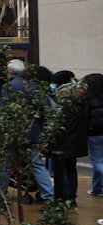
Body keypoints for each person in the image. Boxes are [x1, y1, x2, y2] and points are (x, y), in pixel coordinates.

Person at [0, 59, 53, 202]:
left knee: (5, 165)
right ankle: (49, 195)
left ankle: (1, 197)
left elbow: (3, 112)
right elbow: (45, 111)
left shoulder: (7, 87)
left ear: (9, 72)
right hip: (32, 132)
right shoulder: (35, 87)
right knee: (37, 164)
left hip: (12, 132)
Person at [47, 70, 86, 204]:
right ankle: (72, 197)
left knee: (61, 168)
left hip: (63, 138)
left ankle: (63, 197)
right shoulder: (80, 96)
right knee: (71, 167)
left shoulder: (62, 98)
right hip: (76, 138)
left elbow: (57, 120)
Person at [84, 73, 103, 196]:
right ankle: (96, 188)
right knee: (100, 161)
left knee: (97, 161)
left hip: (94, 132)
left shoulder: (87, 98)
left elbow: (85, 116)